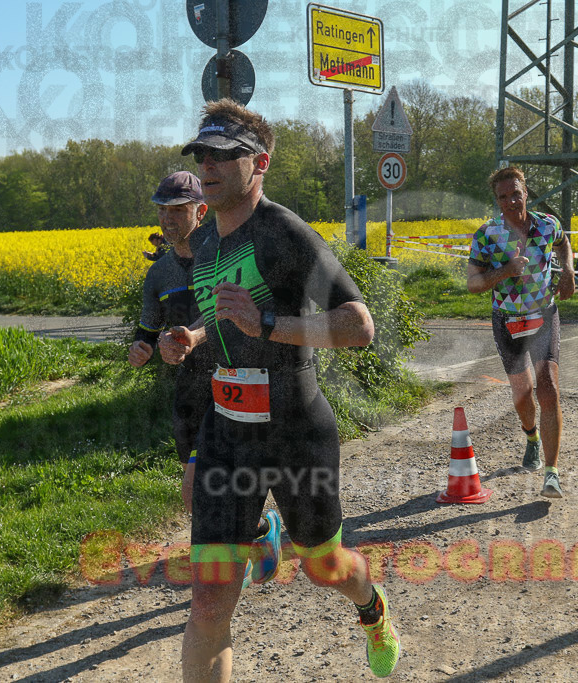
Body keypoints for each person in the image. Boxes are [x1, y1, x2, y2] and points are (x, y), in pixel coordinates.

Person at [157, 99, 400, 681]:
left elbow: (358, 326)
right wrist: (191, 337)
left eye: (224, 155)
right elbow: (224, 315)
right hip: (226, 435)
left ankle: (372, 608)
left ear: (259, 162)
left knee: (324, 566)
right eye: (202, 154)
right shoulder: (205, 244)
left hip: (295, 432)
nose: (208, 165)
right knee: (208, 605)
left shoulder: (286, 233)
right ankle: (260, 536)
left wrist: (268, 324)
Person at [466, 166, 576, 498]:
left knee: (549, 389)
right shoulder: (486, 235)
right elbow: (473, 284)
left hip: (544, 314)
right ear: (497, 201)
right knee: (523, 393)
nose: (512, 201)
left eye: (516, 193)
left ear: (526, 192)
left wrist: (568, 269)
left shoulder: (547, 224)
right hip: (508, 320)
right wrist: (505, 271)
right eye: (504, 197)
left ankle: (552, 473)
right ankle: (531, 437)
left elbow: (564, 243)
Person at [128, 171, 211, 514]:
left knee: (197, 493)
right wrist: (141, 349)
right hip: (190, 391)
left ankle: (248, 536)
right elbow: (147, 330)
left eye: (178, 210)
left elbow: (232, 314)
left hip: (234, 381)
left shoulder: (223, 256)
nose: (167, 218)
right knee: (201, 498)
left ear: (201, 212)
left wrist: (195, 337)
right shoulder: (159, 273)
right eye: (162, 209)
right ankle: (262, 532)